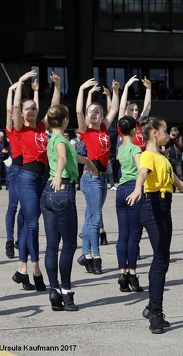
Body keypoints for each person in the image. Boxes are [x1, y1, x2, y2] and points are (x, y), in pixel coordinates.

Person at [127, 116, 183, 334]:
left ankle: (152, 307)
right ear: (155, 133)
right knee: (160, 260)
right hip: (152, 207)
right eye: (164, 131)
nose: (167, 135)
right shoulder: (147, 155)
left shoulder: (161, 157)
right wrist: (137, 189)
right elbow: (142, 173)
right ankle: (155, 312)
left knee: (163, 258)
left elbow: (179, 183)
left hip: (165, 208)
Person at [41, 104, 94, 311]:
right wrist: (57, 174)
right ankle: (66, 291)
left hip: (47, 194)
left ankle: (53, 290)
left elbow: (72, 156)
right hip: (62, 190)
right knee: (70, 245)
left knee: (52, 246)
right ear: (64, 121)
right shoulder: (62, 140)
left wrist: (87, 161)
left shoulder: (51, 138)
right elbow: (63, 157)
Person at [11, 70, 58, 291]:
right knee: (32, 224)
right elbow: (13, 108)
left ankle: (22, 270)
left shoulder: (41, 127)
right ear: (22, 112)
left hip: (42, 179)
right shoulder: (19, 128)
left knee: (28, 226)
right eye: (28, 108)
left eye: (34, 108)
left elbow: (54, 110)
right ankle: (36, 269)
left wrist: (56, 87)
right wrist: (20, 82)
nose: (33, 110)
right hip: (27, 178)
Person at [75, 78, 120, 275]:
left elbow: (114, 109)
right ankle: (96, 256)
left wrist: (116, 91)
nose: (93, 114)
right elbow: (78, 111)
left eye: (97, 112)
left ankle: (85, 254)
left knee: (90, 217)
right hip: (91, 178)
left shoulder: (103, 128)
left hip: (102, 178)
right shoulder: (85, 131)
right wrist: (82, 90)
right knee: (96, 218)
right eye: (90, 112)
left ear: (102, 116)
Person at [115, 116, 145, 293]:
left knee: (123, 234)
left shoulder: (121, 148)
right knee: (134, 235)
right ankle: (132, 274)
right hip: (133, 189)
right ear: (134, 130)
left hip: (121, 190)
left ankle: (122, 273)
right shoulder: (135, 149)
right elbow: (141, 169)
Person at [4, 81, 32, 259]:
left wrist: (35, 92)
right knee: (12, 206)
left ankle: (19, 239)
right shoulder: (11, 130)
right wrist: (10, 90)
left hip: (27, 170)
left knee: (24, 208)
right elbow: (10, 109)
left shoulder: (26, 130)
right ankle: (9, 240)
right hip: (15, 169)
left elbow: (30, 110)